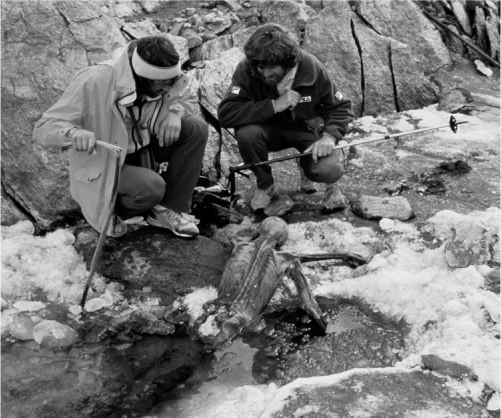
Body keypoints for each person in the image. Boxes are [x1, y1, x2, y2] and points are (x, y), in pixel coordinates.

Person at [34, 36, 208, 238]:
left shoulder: (168, 79)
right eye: (162, 84)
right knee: (152, 187)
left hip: (145, 150)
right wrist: (74, 133)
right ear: (141, 76)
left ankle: (167, 209)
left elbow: (183, 95)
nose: (168, 88)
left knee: (196, 127)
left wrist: (175, 113)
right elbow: (44, 127)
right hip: (106, 162)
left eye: (171, 82)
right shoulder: (95, 80)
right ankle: (115, 211)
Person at [217, 23, 354, 212]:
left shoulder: (311, 66)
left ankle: (309, 168)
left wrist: (329, 137)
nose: (265, 73)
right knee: (246, 134)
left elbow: (341, 106)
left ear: (288, 62)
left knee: (329, 169)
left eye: (272, 67)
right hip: (267, 130)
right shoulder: (248, 69)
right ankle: (266, 186)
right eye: (260, 67)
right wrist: (273, 106)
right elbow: (226, 113)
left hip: (307, 129)